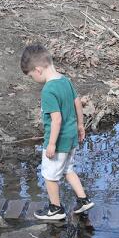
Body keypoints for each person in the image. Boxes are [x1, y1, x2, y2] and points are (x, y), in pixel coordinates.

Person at [21, 43, 93, 221]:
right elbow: (77, 102)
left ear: (38, 70)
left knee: (49, 175)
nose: (33, 79)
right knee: (68, 169)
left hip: (58, 140)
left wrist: (51, 144)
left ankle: (55, 209)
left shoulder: (48, 90)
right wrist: (81, 125)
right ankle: (83, 200)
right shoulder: (65, 80)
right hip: (72, 137)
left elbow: (56, 120)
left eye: (31, 76)